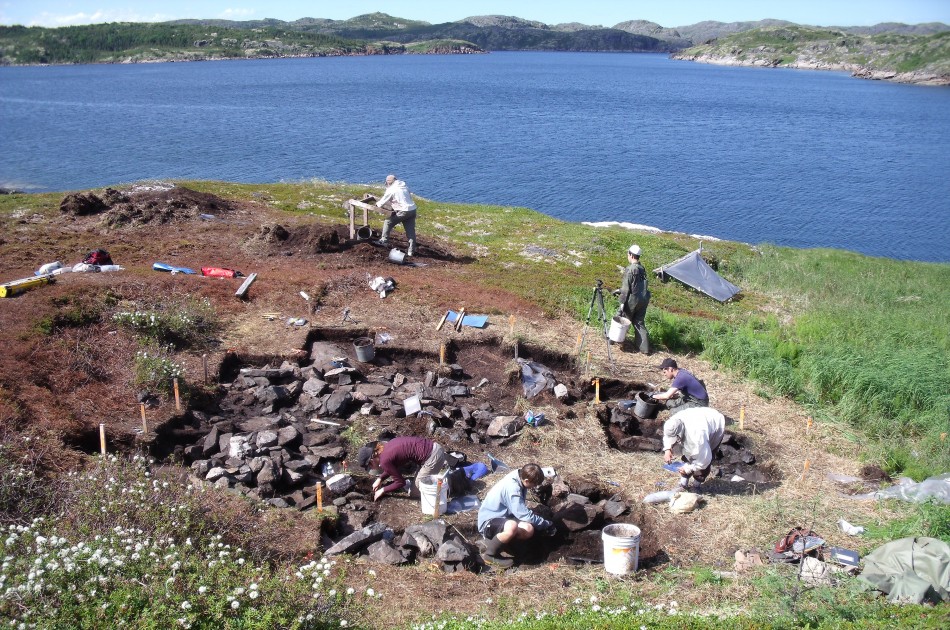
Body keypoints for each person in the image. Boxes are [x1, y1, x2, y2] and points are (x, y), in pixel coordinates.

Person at [477, 463, 554, 567]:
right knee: (512, 525)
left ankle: (508, 545)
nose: (534, 487)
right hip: (489, 522)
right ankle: (490, 555)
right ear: (526, 481)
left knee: (528, 529)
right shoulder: (513, 488)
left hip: (504, 517)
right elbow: (524, 515)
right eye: (534, 484)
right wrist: (545, 524)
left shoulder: (520, 474)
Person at [357, 436, 448, 501]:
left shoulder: (384, 461)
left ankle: (447, 487)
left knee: (415, 493)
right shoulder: (386, 448)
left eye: (369, 466)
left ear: (371, 460)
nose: (371, 468)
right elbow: (392, 468)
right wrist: (380, 479)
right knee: (417, 484)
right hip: (433, 448)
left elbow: (401, 482)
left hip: (433, 458)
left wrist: (382, 490)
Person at [662, 406, 725, 490]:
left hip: (715, 424)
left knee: (702, 458)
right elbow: (668, 435)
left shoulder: (697, 437)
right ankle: (683, 484)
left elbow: (704, 460)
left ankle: (696, 485)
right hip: (702, 417)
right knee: (688, 453)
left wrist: (688, 469)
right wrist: (667, 449)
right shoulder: (673, 421)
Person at [617, 244, 651, 353]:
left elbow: (626, 288)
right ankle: (645, 349)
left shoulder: (630, 269)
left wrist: (622, 304)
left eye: (628, 254)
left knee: (623, 319)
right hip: (643, 299)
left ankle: (616, 341)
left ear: (631, 255)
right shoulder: (642, 268)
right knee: (639, 323)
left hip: (633, 300)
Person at [376, 174, 418, 257]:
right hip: (412, 210)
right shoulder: (403, 185)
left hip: (403, 211)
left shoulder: (392, 189)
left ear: (388, 182)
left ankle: (383, 241)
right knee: (410, 231)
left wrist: (377, 205)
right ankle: (411, 251)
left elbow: (382, 201)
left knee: (388, 222)